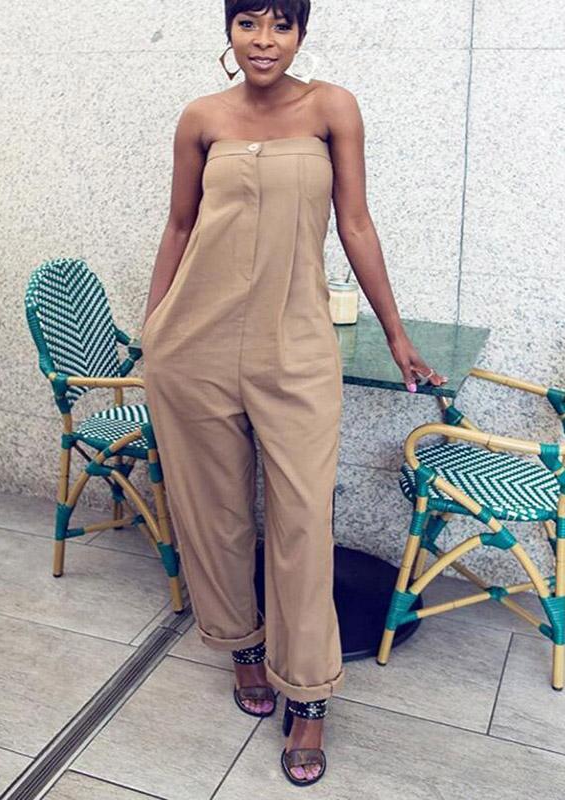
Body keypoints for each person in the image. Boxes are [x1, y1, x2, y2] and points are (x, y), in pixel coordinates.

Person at [141, 0, 448, 787]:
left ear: (302, 33)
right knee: (214, 512)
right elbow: (179, 226)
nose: (264, 40)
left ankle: (308, 696)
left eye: (281, 24)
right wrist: (154, 330)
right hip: (196, 343)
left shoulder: (331, 107)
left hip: (296, 344)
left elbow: (357, 224)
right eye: (248, 22)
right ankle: (242, 647)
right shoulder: (202, 118)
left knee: (303, 520)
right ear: (229, 31)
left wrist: (396, 334)